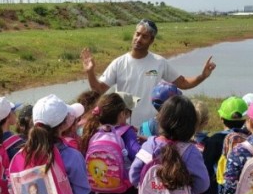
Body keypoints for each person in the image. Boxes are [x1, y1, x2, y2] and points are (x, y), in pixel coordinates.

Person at [81, 19, 216, 126]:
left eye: (144, 36)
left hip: (151, 127)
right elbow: (98, 90)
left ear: (151, 40)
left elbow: (183, 83)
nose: (139, 39)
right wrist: (90, 73)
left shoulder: (159, 62)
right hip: (124, 127)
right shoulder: (119, 63)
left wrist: (202, 76)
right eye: (137, 34)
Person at [192, 100, 210, 194]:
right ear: (206, 121)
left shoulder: (184, 141)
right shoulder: (209, 142)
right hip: (203, 188)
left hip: (186, 188)